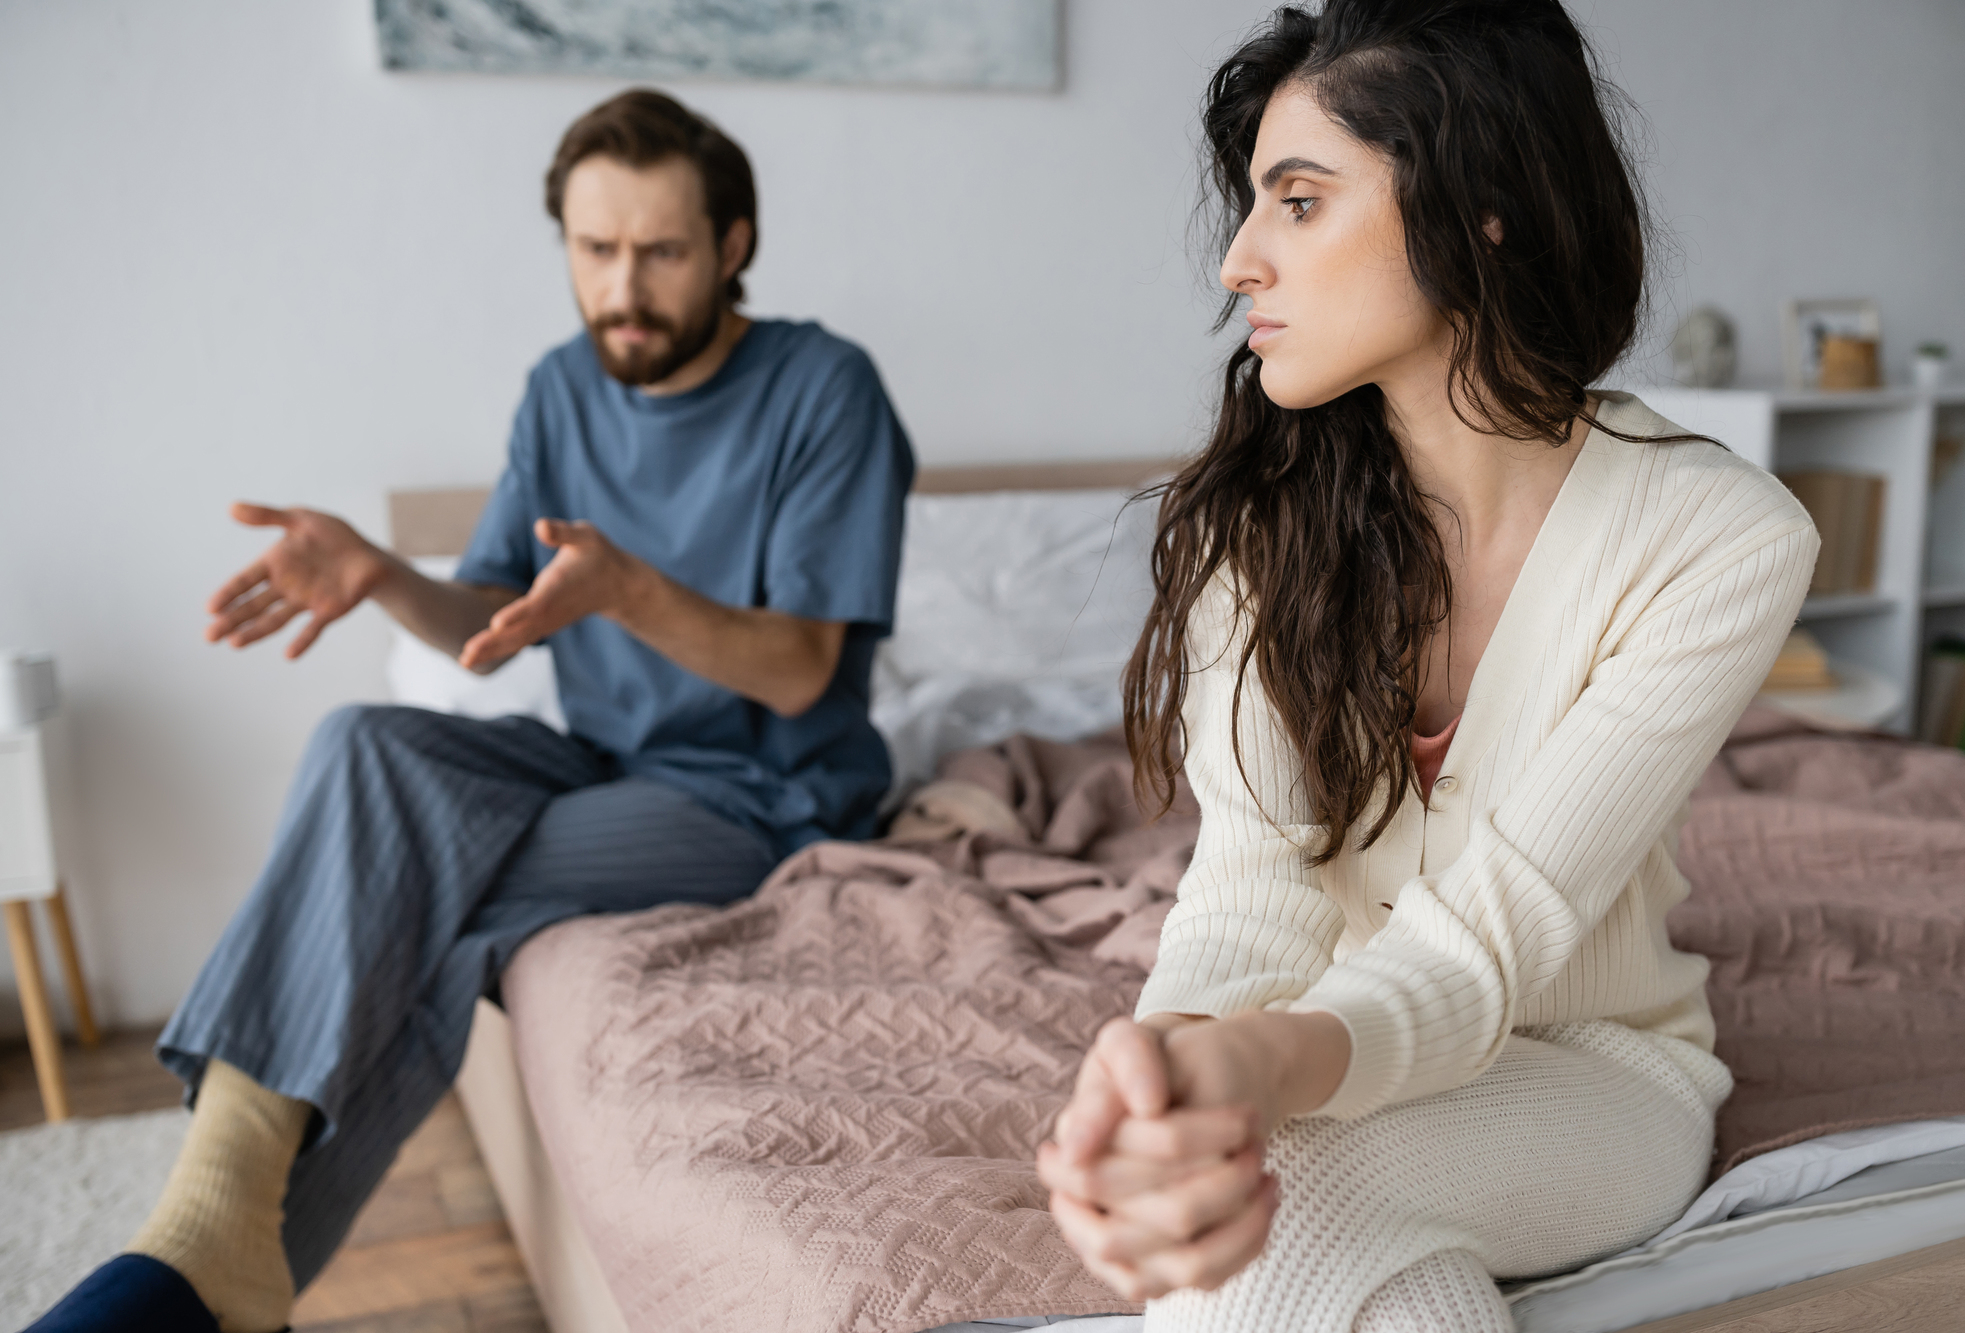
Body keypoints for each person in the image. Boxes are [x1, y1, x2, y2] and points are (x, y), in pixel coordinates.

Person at [33, 89, 912, 1333]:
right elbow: (495, 628)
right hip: (594, 760)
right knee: (362, 742)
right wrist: (386, 577)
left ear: (732, 246)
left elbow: (798, 673)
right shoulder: (560, 389)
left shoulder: (825, 389)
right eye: (594, 250)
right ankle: (215, 1264)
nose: (624, 287)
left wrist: (635, 593)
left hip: (759, 799)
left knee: (433, 908)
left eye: (661, 252)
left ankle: (195, 1261)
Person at [1035, 3, 1815, 1331]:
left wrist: (1258, 1075)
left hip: (1592, 1076)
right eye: (1253, 205)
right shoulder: (1264, 522)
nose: (1236, 262)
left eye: (1299, 201)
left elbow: (1485, 945)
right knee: (1335, 1245)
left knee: (1277, 1186)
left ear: (1483, 204)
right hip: (1321, 1049)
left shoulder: (1720, 539)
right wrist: (1168, 1074)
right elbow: (1251, 894)